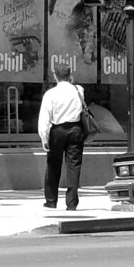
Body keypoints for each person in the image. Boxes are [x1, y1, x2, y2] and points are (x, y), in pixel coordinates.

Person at [38, 62, 85, 211]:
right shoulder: (79, 90)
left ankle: (51, 200)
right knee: (74, 166)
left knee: (53, 166)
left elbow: (45, 118)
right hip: (76, 129)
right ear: (70, 75)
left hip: (57, 130)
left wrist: (44, 138)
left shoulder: (50, 94)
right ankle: (72, 203)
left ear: (55, 76)